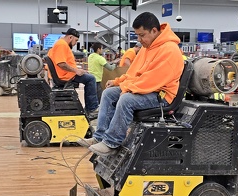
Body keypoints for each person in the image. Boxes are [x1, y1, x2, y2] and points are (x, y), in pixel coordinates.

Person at [78, 12, 184, 156]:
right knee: (109, 93)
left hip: (161, 96)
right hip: (146, 89)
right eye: (137, 36)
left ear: (154, 30)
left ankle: (111, 142)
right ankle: (99, 137)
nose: (139, 40)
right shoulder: (147, 48)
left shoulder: (170, 50)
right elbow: (134, 73)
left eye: (142, 35)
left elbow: (152, 80)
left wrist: (127, 88)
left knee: (126, 99)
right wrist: (118, 82)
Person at [47, 28, 99, 119]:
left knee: (88, 76)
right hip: (65, 76)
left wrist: (78, 69)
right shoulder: (62, 45)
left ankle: (89, 109)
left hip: (66, 73)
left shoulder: (61, 44)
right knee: (91, 79)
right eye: (76, 40)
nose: (75, 43)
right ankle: (92, 109)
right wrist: (76, 71)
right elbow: (61, 63)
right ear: (70, 37)